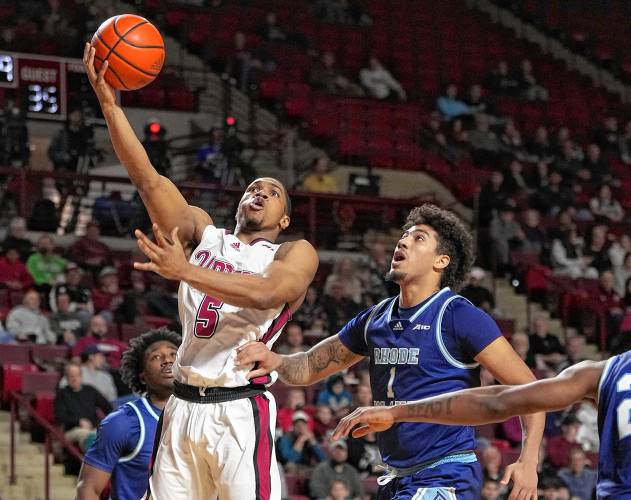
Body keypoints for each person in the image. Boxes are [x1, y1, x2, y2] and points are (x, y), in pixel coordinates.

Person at [83, 43, 319, 500]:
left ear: (284, 219)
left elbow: (270, 293)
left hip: (238, 411)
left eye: (271, 192)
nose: (260, 192)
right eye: (253, 187)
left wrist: (185, 272)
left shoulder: (292, 252)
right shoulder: (204, 234)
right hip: (182, 406)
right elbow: (149, 179)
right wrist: (110, 105)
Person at [237, 204, 544, 499]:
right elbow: (309, 366)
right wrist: (275, 359)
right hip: (396, 476)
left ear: (441, 261)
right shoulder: (374, 319)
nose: (404, 241)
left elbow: (532, 391)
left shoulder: (457, 315)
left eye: (418, 238)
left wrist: (529, 462)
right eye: (405, 235)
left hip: (445, 473)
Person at [333, 352, 631, 498]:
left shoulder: (602, 373)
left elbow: (498, 399)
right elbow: (499, 400)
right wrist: (397, 413)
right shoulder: (605, 374)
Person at [75, 328, 180, 500]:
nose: (167, 360)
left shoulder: (203, 417)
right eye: (156, 357)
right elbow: (88, 490)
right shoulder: (123, 421)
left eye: (173, 354)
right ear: (143, 377)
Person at [54, 362, 112, 451]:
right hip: (72, 430)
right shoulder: (62, 394)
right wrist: (78, 421)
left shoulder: (90, 390)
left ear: (81, 376)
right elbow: (60, 417)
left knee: (109, 435)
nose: (74, 378)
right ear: (67, 378)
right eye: (71, 376)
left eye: (77, 375)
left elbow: (107, 406)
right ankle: (93, 462)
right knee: (88, 435)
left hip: (93, 428)